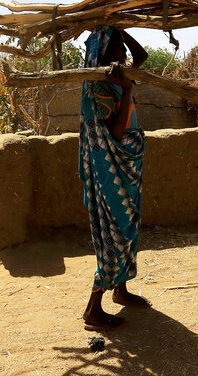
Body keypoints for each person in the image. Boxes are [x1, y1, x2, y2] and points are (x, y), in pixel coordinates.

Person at [78, 26, 151, 331]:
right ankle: (93, 309)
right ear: (100, 57)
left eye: (122, 50)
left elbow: (142, 55)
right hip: (112, 169)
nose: (122, 56)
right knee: (116, 236)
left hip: (129, 167)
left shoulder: (119, 77)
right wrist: (129, 89)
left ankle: (120, 290)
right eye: (115, 51)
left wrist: (120, 30)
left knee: (130, 229)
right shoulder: (100, 89)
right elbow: (116, 134)